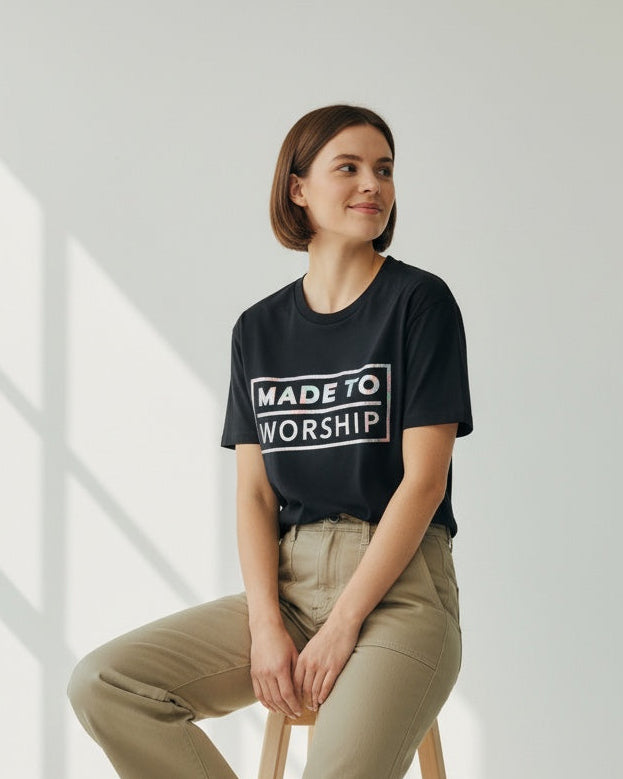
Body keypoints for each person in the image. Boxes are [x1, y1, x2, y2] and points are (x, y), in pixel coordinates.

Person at [67, 103, 474, 779]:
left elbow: (423, 483)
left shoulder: (418, 304)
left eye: (384, 169)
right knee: (108, 685)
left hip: (400, 590)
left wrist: (343, 625)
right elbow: (255, 493)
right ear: (298, 187)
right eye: (348, 167)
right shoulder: (258, 330)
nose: (372, 183)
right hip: (289, 586)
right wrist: (264, 626)